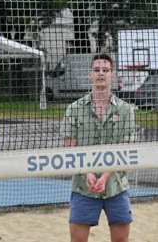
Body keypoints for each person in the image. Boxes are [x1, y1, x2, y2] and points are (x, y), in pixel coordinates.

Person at [60, 54, 137, 242]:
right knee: (78, 240)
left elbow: (124, 149)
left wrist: (104, 177)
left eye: (105, 70)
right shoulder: (74, 109)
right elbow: (70, 148)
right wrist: (88, 173)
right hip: (82, 185)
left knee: (121, 240)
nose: (101, 73)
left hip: (116, 185)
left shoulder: (125, 110)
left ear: (112, 75)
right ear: (90, 74)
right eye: (97, 70)